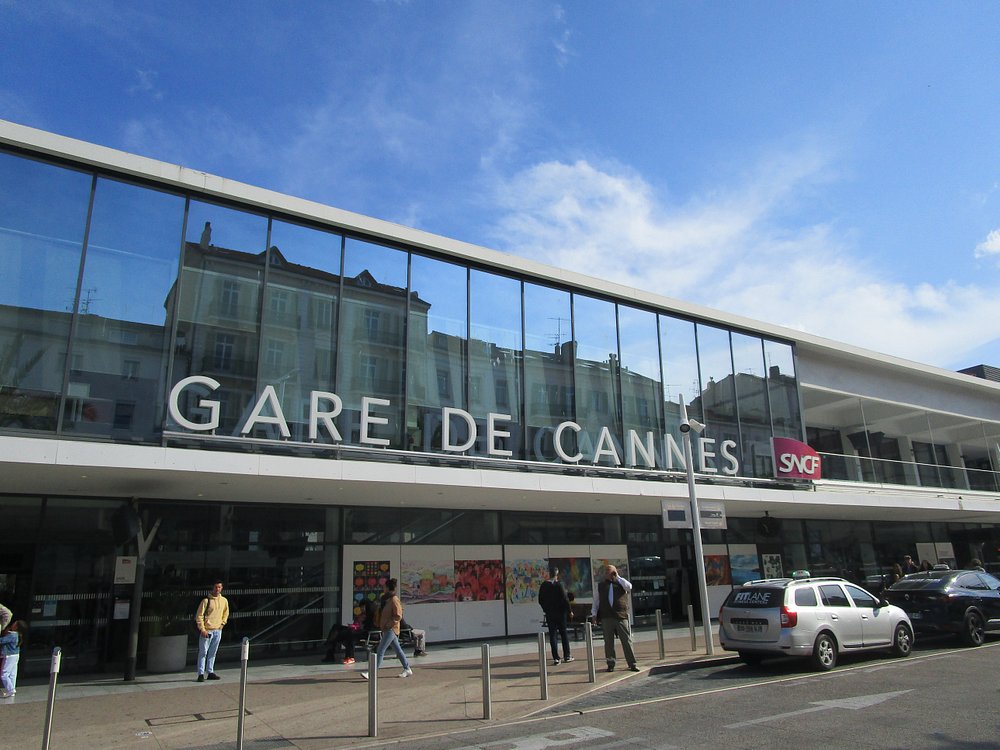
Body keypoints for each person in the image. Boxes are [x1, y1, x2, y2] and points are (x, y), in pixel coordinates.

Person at [590, 564, 638, 673]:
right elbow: (596, 601)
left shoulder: (621, 583)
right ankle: (610, 663)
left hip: (620, 616)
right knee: (608, 642)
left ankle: (632, 663)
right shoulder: (601, 586)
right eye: (607, 572)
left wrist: (618, 577)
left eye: (611, 572)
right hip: (607, 616)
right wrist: (594, 614)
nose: (609, 574)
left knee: (626, 640)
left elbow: (629, 587)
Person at [362, 578, 412, 680]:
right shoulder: (386, 600)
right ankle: (407, 669)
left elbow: (398, 615)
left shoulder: (394, 599)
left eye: (384, 586)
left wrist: (389, 624)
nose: (383, 588)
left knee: (380, 650)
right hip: (387, 628)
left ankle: (371, 673)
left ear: (388, 588)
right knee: (398, 649)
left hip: (391, 629)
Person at [195, 580, 229, 682]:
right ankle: (201, 673)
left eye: (219, 587)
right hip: (207, 630)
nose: (217, 589)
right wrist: (202, 629)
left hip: (217, 630)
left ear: (221, 588)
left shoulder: (224, 601)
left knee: (213, 652)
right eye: (215, 587)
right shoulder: (206, 601)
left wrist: (222, 623)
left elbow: (225, 612)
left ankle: (210, 671)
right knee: (203, 652)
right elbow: (199, 616)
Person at [538, 566, 572, 665]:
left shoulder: (544, 585)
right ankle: (567, 655)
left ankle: (556, 658)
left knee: (553, 635)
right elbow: (565, 599)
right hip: (561, 613)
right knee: (563, 634)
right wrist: (569, 610)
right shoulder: (559, 585)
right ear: (557, 574)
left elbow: (540, 600)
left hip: (550, 614)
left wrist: (546, 609)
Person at [323, 600, 376, 664]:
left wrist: (362, 622)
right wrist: (355, 623)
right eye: (360, 607)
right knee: (336, 627)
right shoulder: (360, 615)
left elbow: (368, 628)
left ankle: (331, 645)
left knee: (346, 634)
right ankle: (330, 643)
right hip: (355, 631)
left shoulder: (371, 616)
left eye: (363, 607)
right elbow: (356, 625)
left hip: (365, 634)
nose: (361, 609)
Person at [0, 619, 26, 698]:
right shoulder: (17, 634)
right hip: (15, 655)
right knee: (12, 674)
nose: (12, 624)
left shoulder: (12, 635)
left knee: (4, 674)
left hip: (10, 656)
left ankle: (11, 690)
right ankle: (11, 690)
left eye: (14, 624)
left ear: (16, 626)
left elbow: (1, 641)